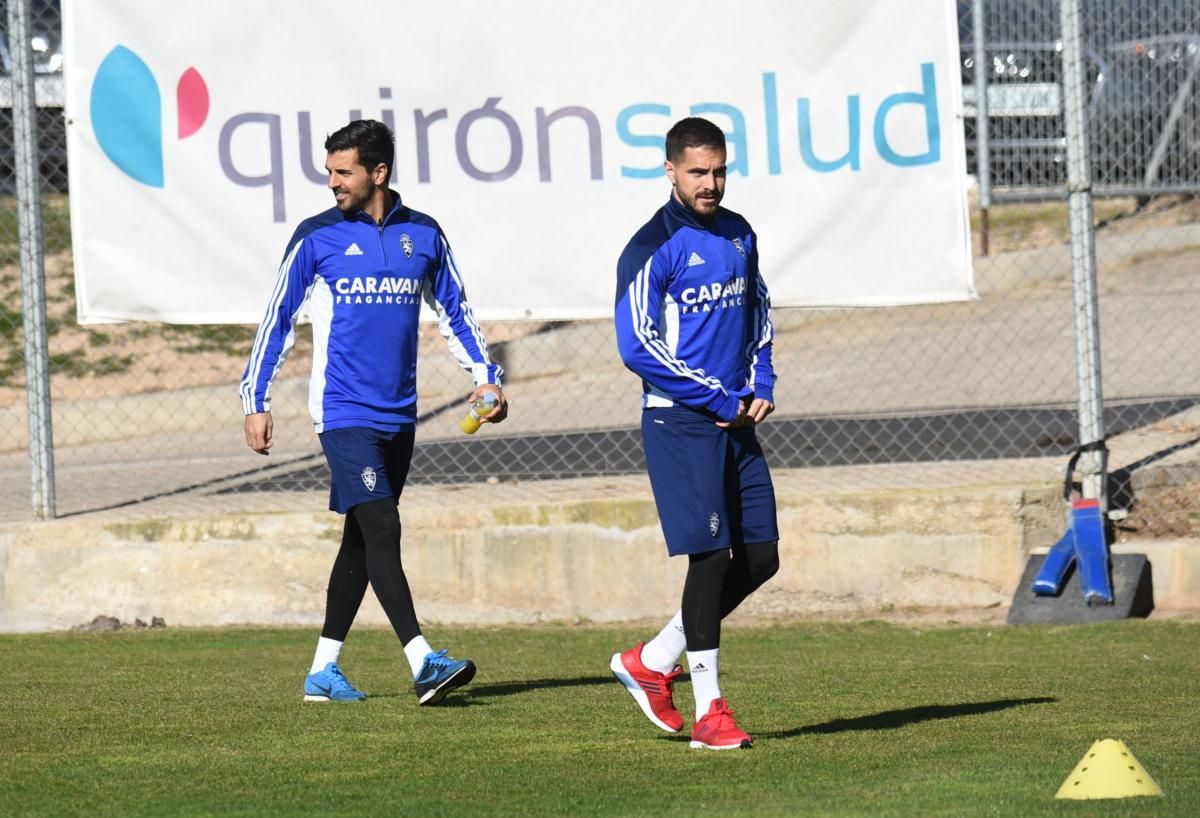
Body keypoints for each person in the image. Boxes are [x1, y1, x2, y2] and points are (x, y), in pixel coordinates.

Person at [239, 119, 507, 705]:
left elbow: (456, 311)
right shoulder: (317, 237)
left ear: (377, 173)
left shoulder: (425, 235)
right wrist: (255, 399)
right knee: (384, 526)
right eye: (330, 171)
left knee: (361, 542)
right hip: (343, 413)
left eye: (343, 172)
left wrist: (486, 377)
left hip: (399, 416)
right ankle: (422, 660)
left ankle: (322, 672)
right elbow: (277, 319)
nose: (332, 182)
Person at [611, 117, 779, 750]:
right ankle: (711, 710)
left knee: (761, 557)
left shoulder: (738, 233)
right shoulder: (652, 246)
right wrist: (715, 396)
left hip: (735, 418)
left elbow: (759, 308)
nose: (711, 184)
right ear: (671, 170)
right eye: (698, 173)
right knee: (709, 558)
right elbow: (637, 345)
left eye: (719, 171)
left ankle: (652, 661)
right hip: (681, 421)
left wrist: (760, 379)